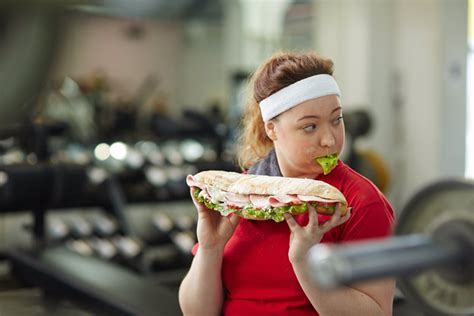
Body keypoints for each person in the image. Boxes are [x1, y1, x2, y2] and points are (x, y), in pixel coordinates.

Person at [178, 51, 395, 316]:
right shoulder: (241, 197)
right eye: (310, 127)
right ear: (271, 129)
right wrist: (210, 249)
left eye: (336, 120)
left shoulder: (359, 202)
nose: (329, 140)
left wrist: (304, 262)